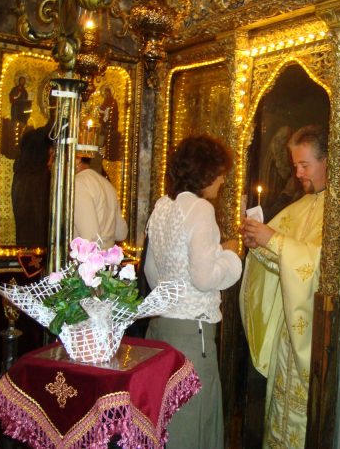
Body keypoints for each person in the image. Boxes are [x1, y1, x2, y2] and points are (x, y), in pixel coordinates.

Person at [144, 135, 242, 449]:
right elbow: (203, 277)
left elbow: (151, 271)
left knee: (165, 418)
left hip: (161, 329)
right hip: (192, 335)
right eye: (220, 171)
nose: (224, 179)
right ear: (205, 172)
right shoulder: (199, 208)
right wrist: (231, 255)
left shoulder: (163, 205)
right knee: (191, 420)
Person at [239, 125, 328, 449]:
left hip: (315, 336)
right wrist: (257, 244)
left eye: (305, 165)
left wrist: (272, 240)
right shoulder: (301, 206)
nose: (298, 173)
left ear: (327, 161)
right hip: (288, 335)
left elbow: (318, 264)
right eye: (295, 166)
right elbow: (279, 261)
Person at [73, 155, 128, 249]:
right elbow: (121, 233)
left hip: (88, 261)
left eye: (53, 156)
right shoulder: (107, 184)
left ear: (77, 159)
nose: (49, 163)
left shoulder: (78, 184)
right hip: (107, 259)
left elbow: (89, 239)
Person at [12, 124, 53, 247]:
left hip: (27, 245)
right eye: (50, 154)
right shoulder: (39, 178)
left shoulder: (22, 175)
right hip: (39, 246)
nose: (51, 161)